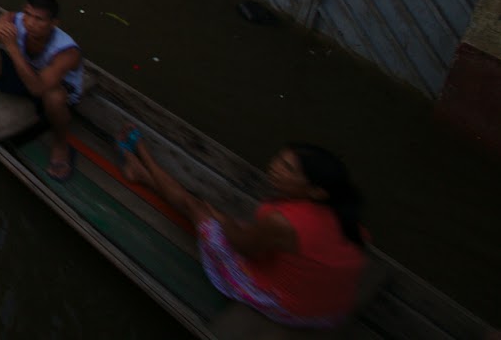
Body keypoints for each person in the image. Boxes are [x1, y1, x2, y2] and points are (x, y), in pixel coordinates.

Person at [119, 134, 368, 328]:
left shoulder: (283, 223)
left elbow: (242, 246)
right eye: (280, 160)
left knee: (195, 207)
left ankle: (141, 153)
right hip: (330, 313)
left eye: (288, 169)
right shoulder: (347, 219)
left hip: (287, 307)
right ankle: (141, 172)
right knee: (217, 215)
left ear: (317, 191)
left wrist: (222, 221)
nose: (274, 167)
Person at [0, 0, 83, 181]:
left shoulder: (67, 51)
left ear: (54, 24)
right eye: (27, 14)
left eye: (39, 19)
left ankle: (61, 144)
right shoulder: (13, 20)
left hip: (50, 92)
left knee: (55, 96)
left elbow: (38, 88)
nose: (29, 23)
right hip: (26, 74)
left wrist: (11, 47)